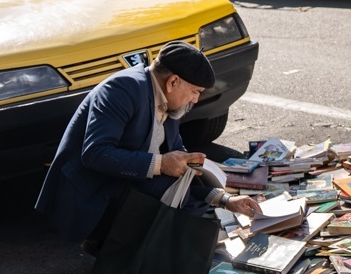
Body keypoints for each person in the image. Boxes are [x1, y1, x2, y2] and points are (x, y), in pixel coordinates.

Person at [36, 42, 261, 254]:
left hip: (126, 179)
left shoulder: (167, 100)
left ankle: (144, 252)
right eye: (195, 91)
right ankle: (110, 247)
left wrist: (224, 200)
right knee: (170, 194)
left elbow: (182, 167)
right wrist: (161, 164)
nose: (195, 100)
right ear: (173, 82)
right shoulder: (122, 90)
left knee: (184, 196)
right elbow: (95, 153)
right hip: (92, 191)